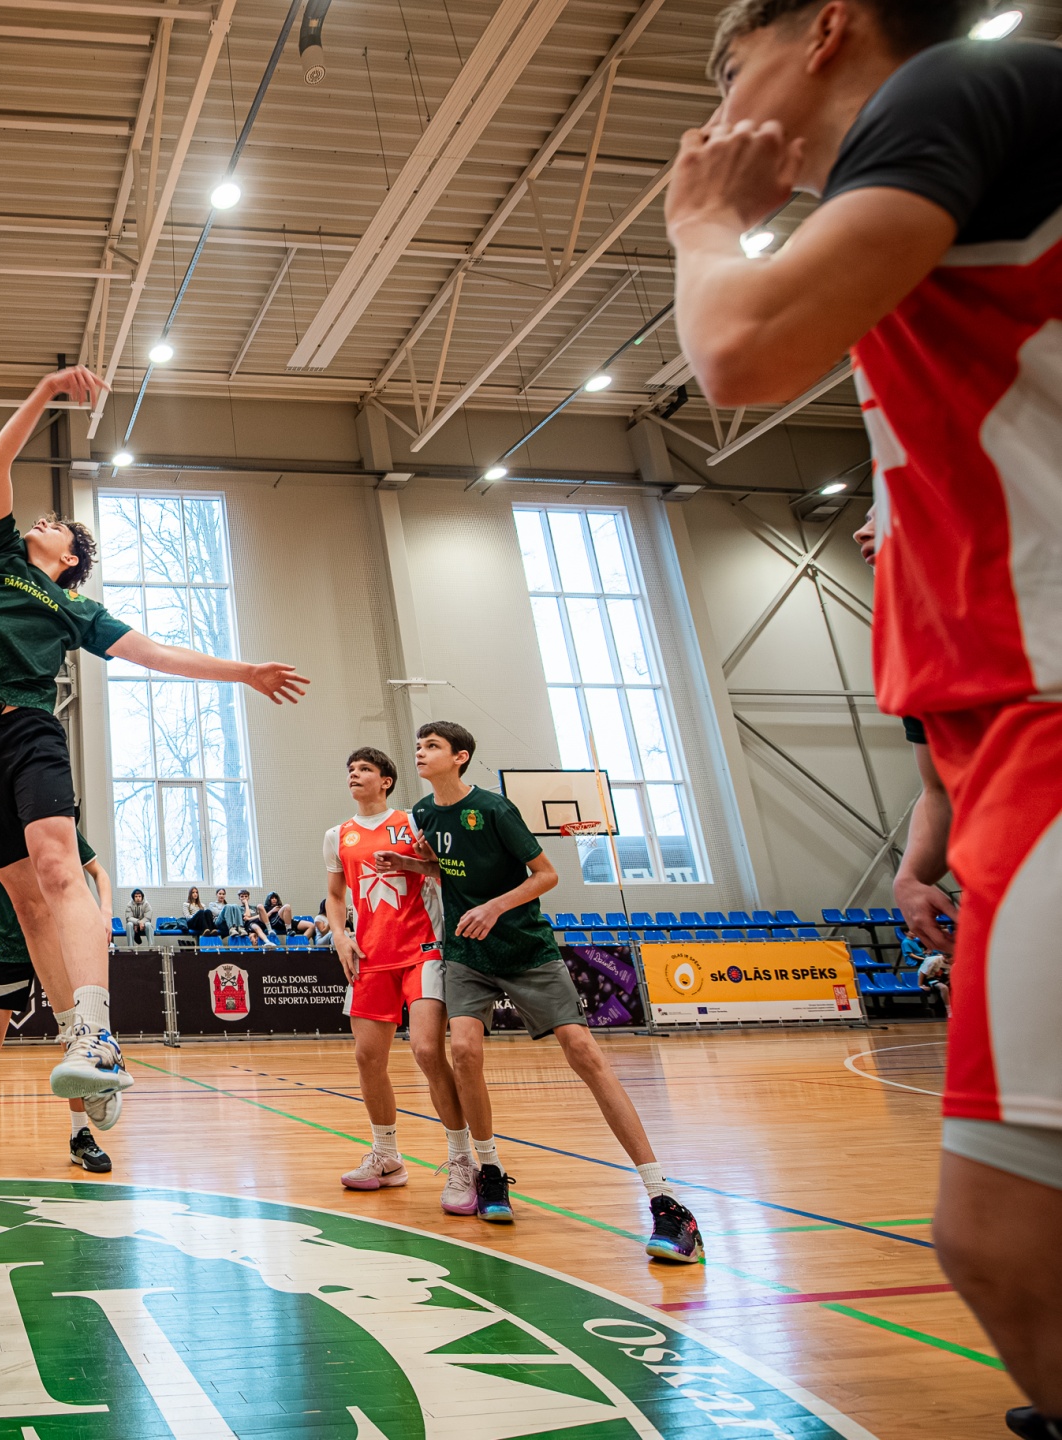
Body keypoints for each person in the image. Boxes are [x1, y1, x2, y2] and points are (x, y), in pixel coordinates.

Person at [666, 5, 1060, 1415]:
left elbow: (740, 352)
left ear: (825, 26)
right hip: (999, 736)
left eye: (730, 67)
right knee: (1012, 1247)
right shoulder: (943, 194)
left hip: (1048, 711)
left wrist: (705, 226)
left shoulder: (954, 86)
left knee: (1005, 1246)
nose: (722, 102)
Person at [0, 363, 307, 1125]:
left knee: (58, 869)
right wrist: (43, 391)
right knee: (25, 904)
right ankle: (83, 1046)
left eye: (57, 525)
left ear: (69, 559)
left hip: (30, 731)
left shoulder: (74, 607)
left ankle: (97, 1034)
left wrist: (244, 672)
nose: (43, 521)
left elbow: (156, 654)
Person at [379, 721, 704, 1263]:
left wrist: (495, 907)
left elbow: (546, 875)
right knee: (464, 1051)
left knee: (584, 1053)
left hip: (526, 948)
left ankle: (664, 1197)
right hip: (467, 951)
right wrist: (412, 864)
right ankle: (488, 1171)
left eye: (432, 745)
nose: (420, 751)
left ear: (460, 757)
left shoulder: (495, 809)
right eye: (418, 745)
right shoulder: (424, 813)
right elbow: (446, 867)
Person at [328, 747, 477, 1212]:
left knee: (427, 1051)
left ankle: (462, 1161)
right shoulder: (337, 835)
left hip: (423, 949)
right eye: (350, 770)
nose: (354, 775)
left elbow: (447, 874)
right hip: (370, 956)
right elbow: (335, 895)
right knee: (367, 1058)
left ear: (386, 780)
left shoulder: (414, 822)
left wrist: (414, 864)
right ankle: (388, 1157)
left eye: (364, 769)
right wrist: (340, 935)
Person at [0, 829, 116, 1174]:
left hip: (56, 944)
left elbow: (99, 873)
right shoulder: (0, 823)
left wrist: (105, 911)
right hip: (12, 946)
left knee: (72, 1041)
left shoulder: (53, 823)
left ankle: (80, 1135)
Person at [855, 509, 957, 957]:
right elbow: (940, 788)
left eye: (882, 514)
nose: (859, 531)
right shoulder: (920, 651)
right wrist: (910, 877)